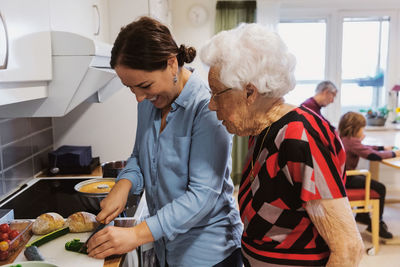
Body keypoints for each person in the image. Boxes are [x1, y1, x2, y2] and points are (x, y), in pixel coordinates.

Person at [200, 23, 364, 266]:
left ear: (249, 93)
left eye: (217, 94)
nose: (212, 105)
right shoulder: (263, 129)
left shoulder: (300, 136)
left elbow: (348, 248)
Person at [86, 16, 243, 266]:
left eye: (144, 85)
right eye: (130, 88)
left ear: (171, 63)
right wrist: (123, 185)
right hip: (164, 248)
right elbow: (139, 155)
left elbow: (203, 196)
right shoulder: (150, 101)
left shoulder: (206, 108)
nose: (138, 98)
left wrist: (136, 234)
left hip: (208, 253)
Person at [338, 111, 400, 239]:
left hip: (341, 177)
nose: (363, 131)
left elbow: (366, 147)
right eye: (363, 128)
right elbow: (373, 156)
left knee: (366, 180)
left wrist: (383, 147)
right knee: (380, 187)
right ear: (356, 129)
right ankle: (376, 224)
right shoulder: (351, 141)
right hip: (345, 179)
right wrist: (395, 154)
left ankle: (363, 215)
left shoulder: (345, 138)